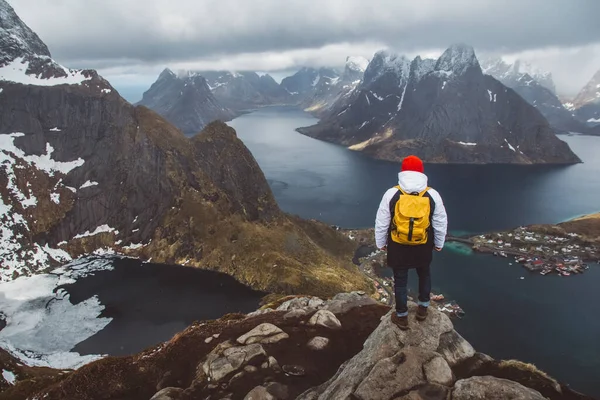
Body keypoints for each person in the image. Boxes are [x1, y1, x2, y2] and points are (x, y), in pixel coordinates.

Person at [375, 155, 447, 330]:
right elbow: (440, 221)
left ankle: (401, 316)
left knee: (400, 280)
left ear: (403, 171)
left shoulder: (392, 193)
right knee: (424, 274)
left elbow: (382, 221)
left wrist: (380, 242)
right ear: (421, 172)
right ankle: (423, 309)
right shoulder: (432, 194)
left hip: (398, 245)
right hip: (423, 245)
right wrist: (439, 243)